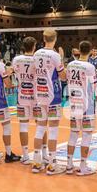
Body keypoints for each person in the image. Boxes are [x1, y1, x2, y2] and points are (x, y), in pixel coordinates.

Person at [32, 29, 67, 175]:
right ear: (55, 39)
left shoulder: (36, 53)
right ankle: (52, 164)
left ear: (43, 38)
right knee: (52, 129)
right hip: (53, 96)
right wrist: (63, 58)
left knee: (40, 128)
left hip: (39, 94)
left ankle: (36, 162)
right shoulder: (55, 55)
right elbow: (63, 77)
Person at [66, 41, 97, 176]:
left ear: (79, 50)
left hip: (74, 103)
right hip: (87, 106)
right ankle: (82, 166)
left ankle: (69, 165)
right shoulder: (90, 67)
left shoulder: (70, 65)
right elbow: (95, 87)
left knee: (73, 133)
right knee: (86, 134)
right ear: (91, 51)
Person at [12, 36, 37, 165]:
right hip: (36, 98)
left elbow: (12, 72)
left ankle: (26, 155)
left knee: (23, 125)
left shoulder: (16, 59)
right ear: (34, 47)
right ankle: (42, 155)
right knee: (41, 125)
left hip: (22, 97)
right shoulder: (37, 59)